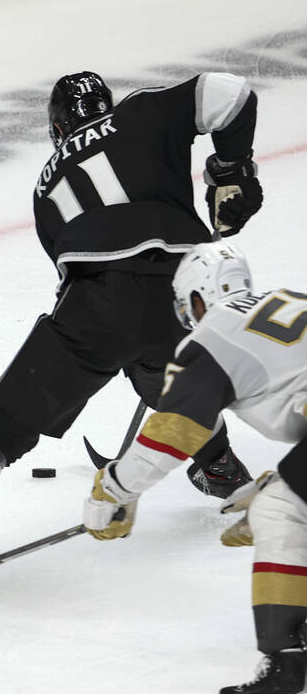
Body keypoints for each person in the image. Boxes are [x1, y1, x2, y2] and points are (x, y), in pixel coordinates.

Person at [0, 71, 265, 589]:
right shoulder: (142, 112)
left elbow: (90, 283)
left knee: (1, 430)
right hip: (185, 289)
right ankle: (222, 468)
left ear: (57, 127)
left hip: (96, 301)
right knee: (170, 378)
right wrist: (232, 170)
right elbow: (230, 91)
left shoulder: (45, 187)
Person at [85, 242, 307, 694]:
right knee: (288, 501)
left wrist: (114, 490)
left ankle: (286, 667)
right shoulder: (286, 301)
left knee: (279, 513)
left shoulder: (214, 335)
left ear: (198, 297)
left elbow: (171, 434)